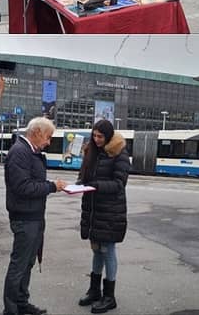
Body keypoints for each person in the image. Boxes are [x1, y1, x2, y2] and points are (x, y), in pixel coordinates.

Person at [3, 118, 67, 315]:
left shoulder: (30, 151)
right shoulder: (20, 152)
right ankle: (11, 310)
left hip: (34, 215)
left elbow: (31, 181)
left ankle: (21, 303)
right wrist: (51, 186)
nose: (49, 142)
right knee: (19, 264)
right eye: (48, 137)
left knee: (28, 262)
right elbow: (22, 187)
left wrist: (49, 184)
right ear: (37, 132)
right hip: (25, 217)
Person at [77, 120, 130, 314]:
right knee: (96, 250)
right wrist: (79, 183)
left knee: (107, 250)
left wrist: (96, 185)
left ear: (108, 136)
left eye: (100, 136)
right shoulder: (92, 151)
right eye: (94, 135)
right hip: (93, 209)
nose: (96, 139)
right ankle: (94, 291)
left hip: (110, 211)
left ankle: (110, 296)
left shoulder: (119, 153)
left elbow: (119, 184)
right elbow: (85, 175)